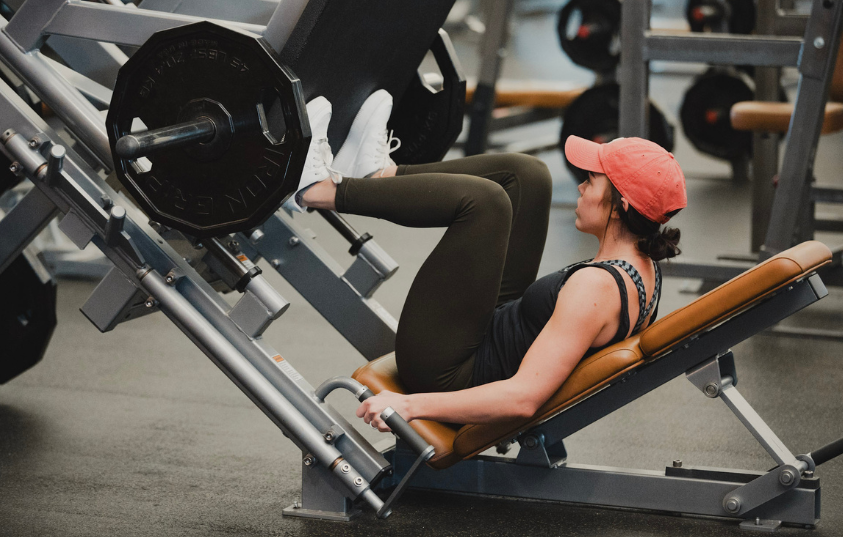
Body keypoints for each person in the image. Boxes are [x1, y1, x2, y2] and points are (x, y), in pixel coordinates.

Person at [287, 90, 687, 431]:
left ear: (620, 206)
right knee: (528, 176)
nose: (581, 186)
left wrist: (410, 405)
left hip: (449, 373)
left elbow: (523, 399)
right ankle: (379, 174)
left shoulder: (595, 291)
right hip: (491, 337)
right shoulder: (643, 266)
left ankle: (317, 191)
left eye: (592, 180)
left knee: (486, 203)